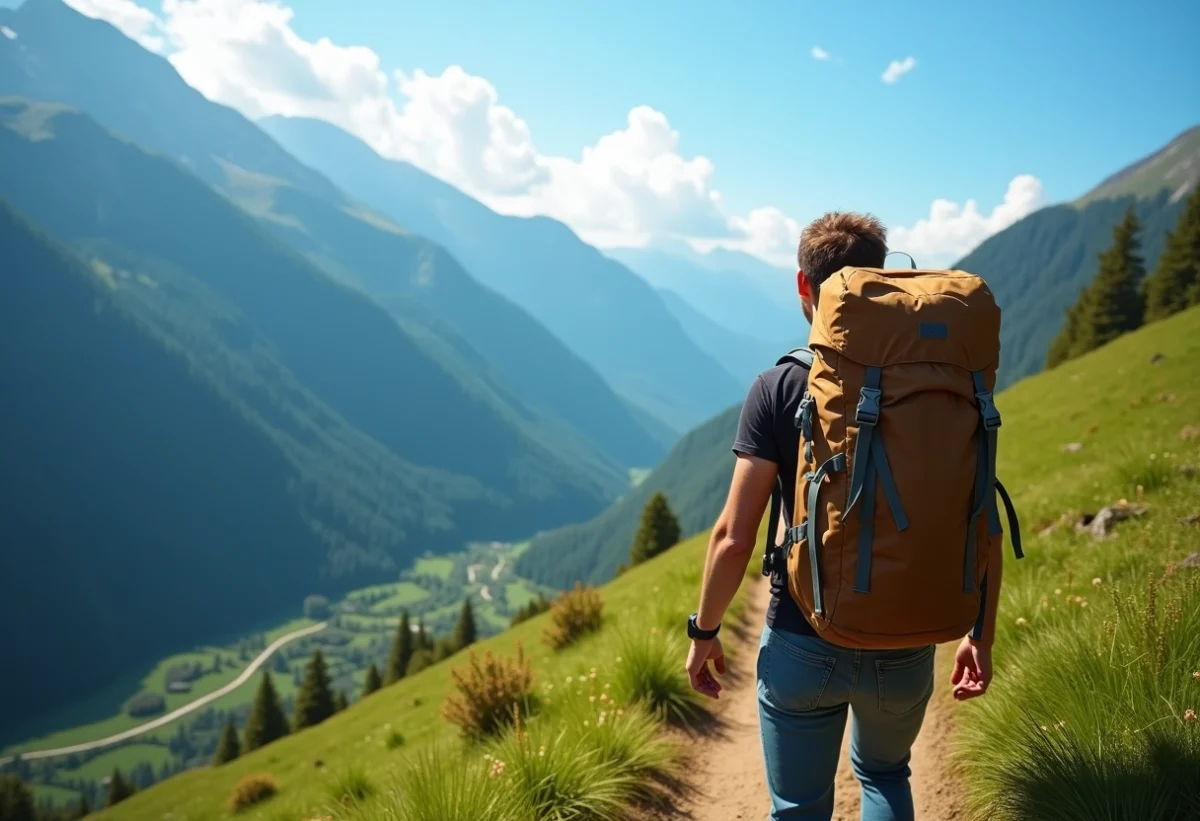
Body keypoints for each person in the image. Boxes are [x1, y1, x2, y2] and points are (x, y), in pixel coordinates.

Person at [683, 212, 1004, 821]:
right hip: (908, 638)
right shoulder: (951, 384)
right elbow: (982, 519)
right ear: (882, 281)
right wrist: (979, 637)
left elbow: (733, 536)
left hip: (804, 634)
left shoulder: (778, 386)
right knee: (884, 775)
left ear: (804, 287)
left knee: (799, 806)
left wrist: (704, 632)